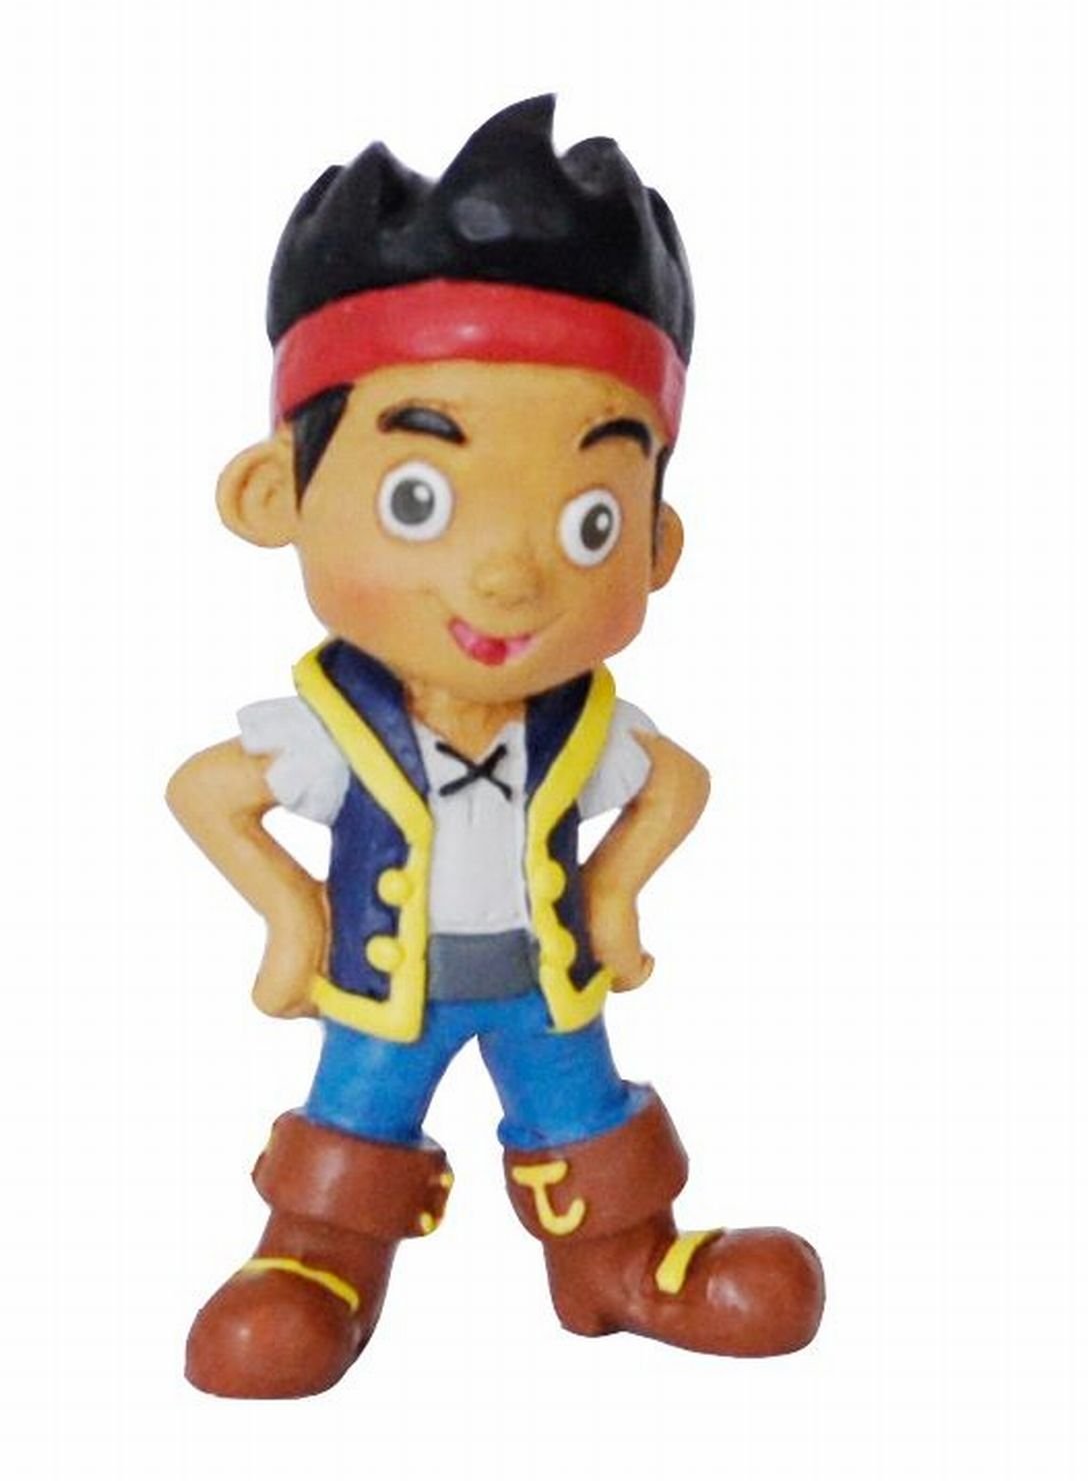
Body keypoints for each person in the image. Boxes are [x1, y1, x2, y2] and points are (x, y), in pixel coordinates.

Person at [167, 95, 824, 1398]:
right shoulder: (337, 728)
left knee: (586, 1112)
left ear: (657, 545)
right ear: (274, 494)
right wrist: (294, 920)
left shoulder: (582, 726)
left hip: (543, 980)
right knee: (355, 1117)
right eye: (420, 499)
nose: (511, 573)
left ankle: (620, 1263)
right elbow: (206, 794)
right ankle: (317, 1262)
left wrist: (614, 897)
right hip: (388, 989)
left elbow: (677, 785)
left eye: (592, 522)